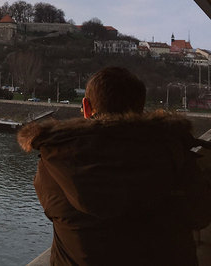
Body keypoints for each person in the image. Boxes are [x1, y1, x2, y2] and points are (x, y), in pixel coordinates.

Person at [18, 67, 211, 265]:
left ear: (86, 107)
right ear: (140, 109)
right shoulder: (173, 153)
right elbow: (200, 215)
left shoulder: (55, 159)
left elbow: (54, 210)